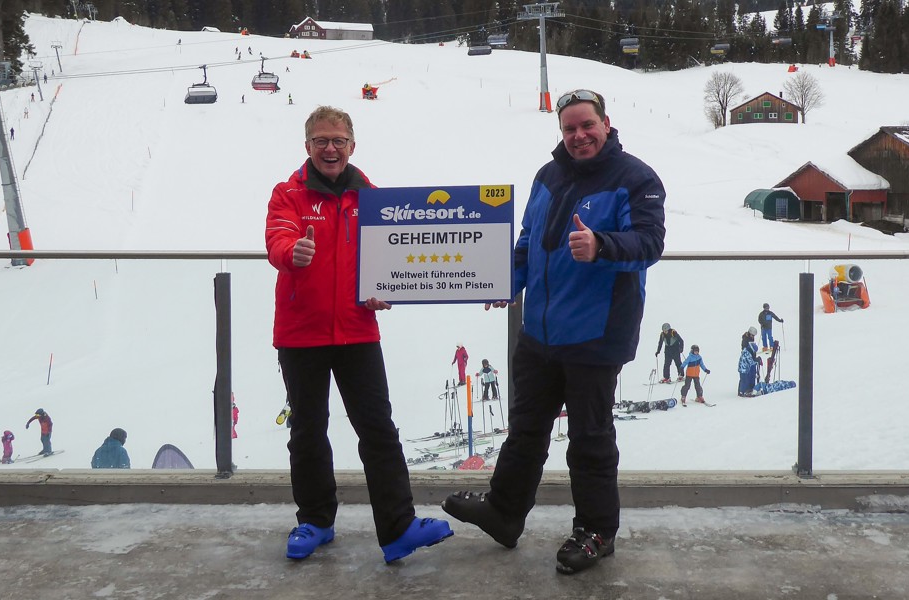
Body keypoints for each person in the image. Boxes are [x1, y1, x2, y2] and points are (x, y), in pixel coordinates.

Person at [442, 88, 666, 575]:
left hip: (595, 334)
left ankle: (596, 531)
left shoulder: (636, 178)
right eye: (569, 128)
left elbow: (649, 242)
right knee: (524, 432)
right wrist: (508, 282)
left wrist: (601, 244)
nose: (579, 136)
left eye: (587, 125)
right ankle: (504, 513)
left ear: (606, 123)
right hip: (539, 332)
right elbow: (528, 242)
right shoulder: (549, 175)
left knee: (589, 439)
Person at [265, 105, 452, 564]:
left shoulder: (371, 197)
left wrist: (381, 290)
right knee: (308, 430)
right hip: (301, 333)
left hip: (356, 331)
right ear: (307, 146)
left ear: (352, 145)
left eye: (339, 140)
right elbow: (278, 240)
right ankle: (315, 520)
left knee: (378, 430)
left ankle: (397, 529)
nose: (330, 148)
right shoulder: (288, 194)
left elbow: (388, 258)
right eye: (321, 141)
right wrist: (295, 251)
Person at [738, 327, 761, 397]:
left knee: (749, 376)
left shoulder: (751, 338)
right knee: (744, 378)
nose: (753, 337)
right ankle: (742, 391)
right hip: (745, 365)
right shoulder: (745, 340)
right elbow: (747, 353)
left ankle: (749, 389)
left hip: (749, 360)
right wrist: (755, 360)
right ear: (749, 333)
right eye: (752, 335)